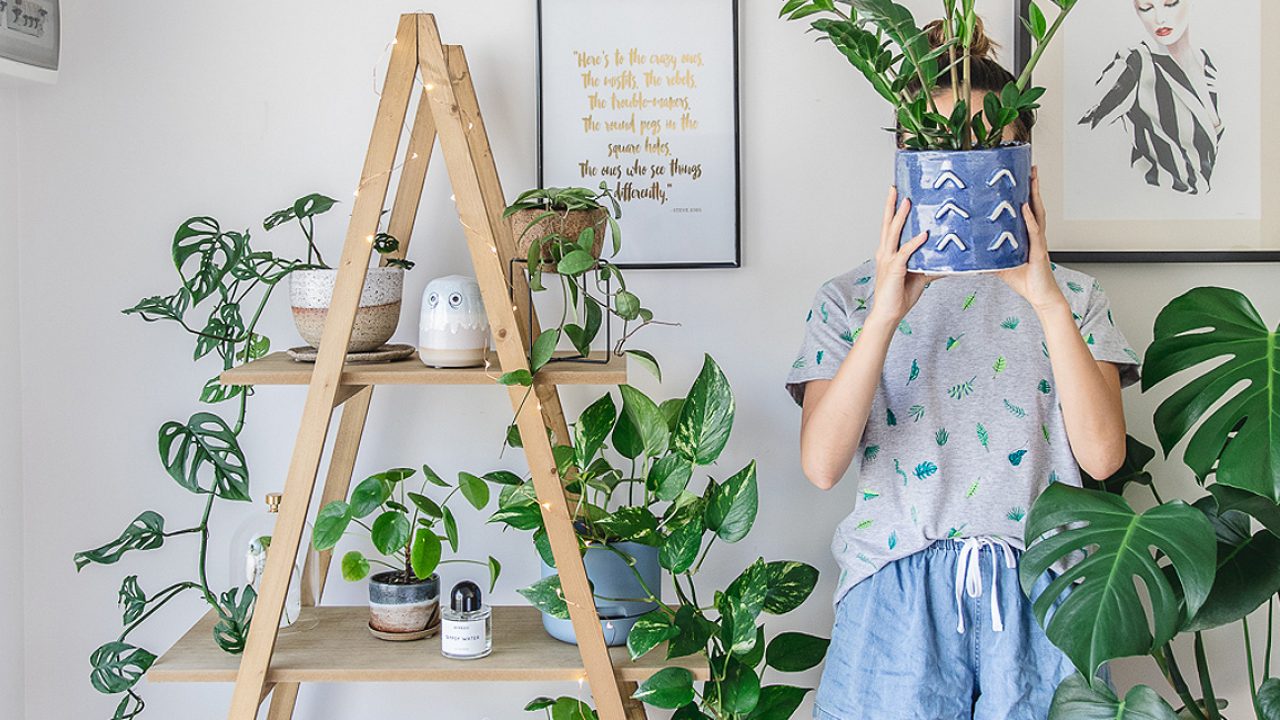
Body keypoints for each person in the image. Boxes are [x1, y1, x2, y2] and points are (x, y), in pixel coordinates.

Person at [786, 19, 1142, 720]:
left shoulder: (1073, 298)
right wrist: (886, 312)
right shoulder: (849, 299)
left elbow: (1103, 457)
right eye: (942, 147)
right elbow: (822, 466)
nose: (965, 167)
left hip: (1045, 588)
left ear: (1021, 163)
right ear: (907, 161)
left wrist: (1042, 298)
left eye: (989, 148)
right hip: (894, 589)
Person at [1079, 0, 1222, 194]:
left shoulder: (1211, 67)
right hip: (1150, 204)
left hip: (1205, 214)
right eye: (1146, 8)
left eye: (1171, 3)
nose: (1160, 18)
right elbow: (1081, 133)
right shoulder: (1136, 63)